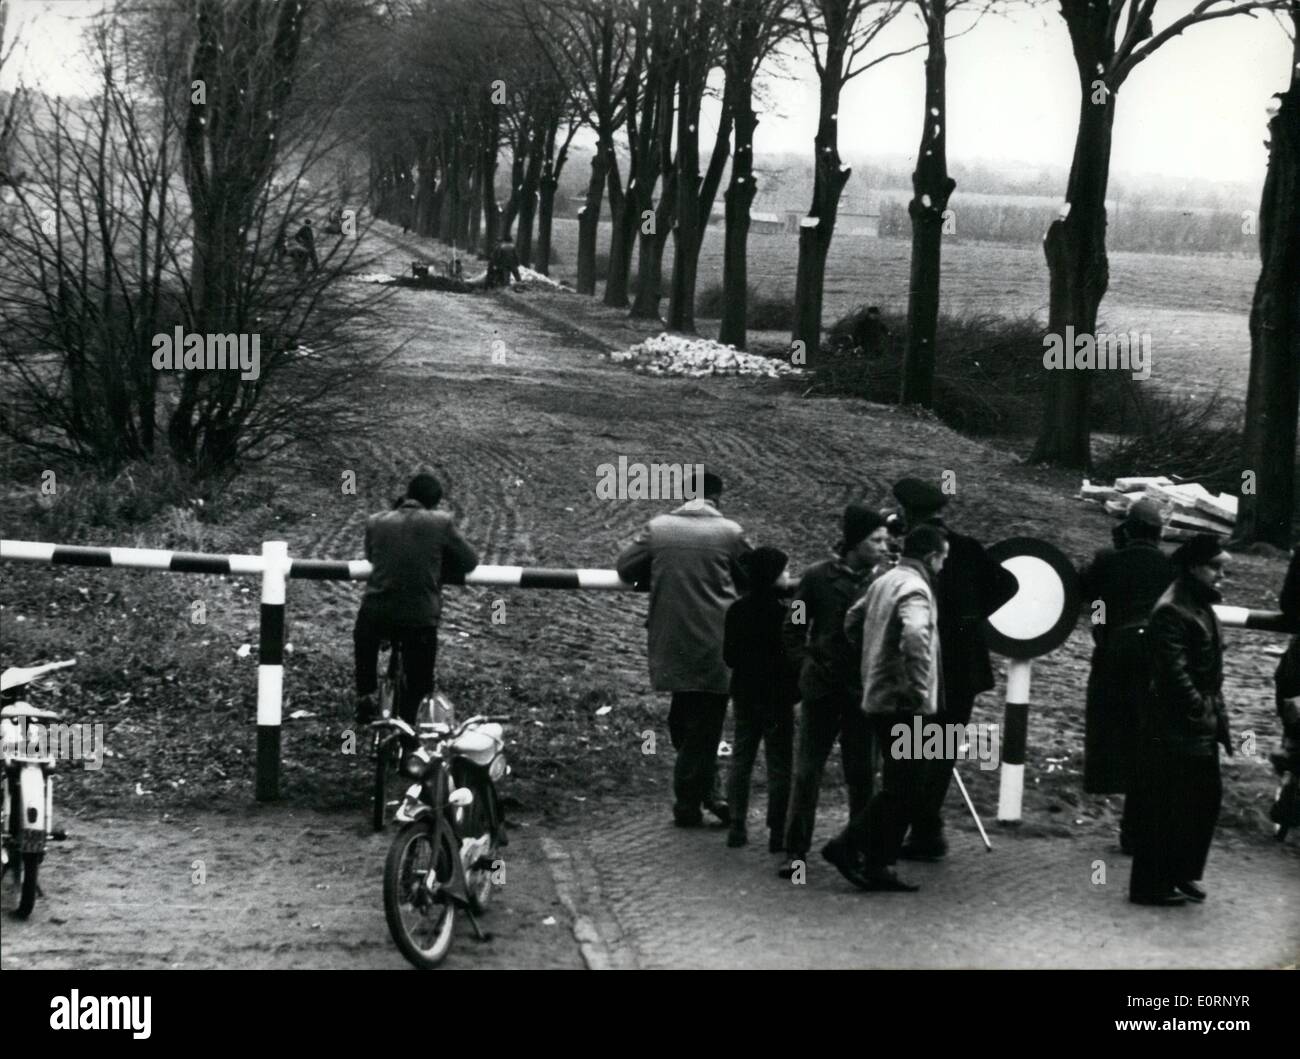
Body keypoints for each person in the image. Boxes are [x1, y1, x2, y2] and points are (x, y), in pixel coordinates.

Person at [616, 470, 751, 827]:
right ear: (717, 498)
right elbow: (751, 576)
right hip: (716, 641)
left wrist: (661, 573)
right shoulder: (730, 533)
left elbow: (625, 566)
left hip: (671, 640)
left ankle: (703, 794)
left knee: (684, 718)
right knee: (705, 724)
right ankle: (694, 800)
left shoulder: (659, 528)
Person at [891, 477, 1017, 860]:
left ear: (910, 514)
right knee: (941, 750)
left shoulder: (912, 553)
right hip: (964, 665)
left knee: (913, 749)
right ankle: (926, 832)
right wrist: (971, 618)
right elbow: (1008, 583)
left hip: (926, 664)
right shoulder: (967, 547)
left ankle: (924, 832)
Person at [829, 525, 949, 892]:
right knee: (906, 786)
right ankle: (847, 846)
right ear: (931, 557)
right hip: (906, 705)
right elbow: (915, 635)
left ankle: (881, 864)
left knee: (902, 783)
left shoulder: (886, 579)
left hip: (879, 698)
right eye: (943, 558)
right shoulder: (915, 588)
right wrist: (914, 686)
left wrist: (870, 661)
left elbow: (852, 618)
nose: (943, 566)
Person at [776, 504, 892, 878]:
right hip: (822, 691)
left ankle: (855, 849)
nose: (883, 546)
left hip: (863, 694)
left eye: (885, 539)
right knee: (807, 773)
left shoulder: (884, 581)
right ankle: (796, 853)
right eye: (875, 540)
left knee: (861, 775)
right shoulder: (815, 577)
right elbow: (794, 623)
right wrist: (804, 665)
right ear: (855, 542)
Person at [1128, 534, 1232, 906]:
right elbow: (1174, 675)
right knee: (1170, 803)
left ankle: (1177, 872)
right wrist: (1200, 712)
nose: (1222, 575)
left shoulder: (1196, 603)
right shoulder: (1174, 610)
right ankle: (1151, 884)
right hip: (1176, 726)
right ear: (1193, 567)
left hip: (1193, 722)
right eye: (1215, 567)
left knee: (1199, 800)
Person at [1078, 497, 1176, 853]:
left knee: (1113, 733)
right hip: (1154, 660)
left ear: (1128, 528)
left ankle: (1125, 821)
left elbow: (1087, 593)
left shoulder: (1108, 560)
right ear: (1158, 532)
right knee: (1147, 741)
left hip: (1113, 656)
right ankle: (1137, 830)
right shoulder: (1169, 566)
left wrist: (1102, 630)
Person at [353, 472, 479, 746]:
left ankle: (365, 693)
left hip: (378, 612)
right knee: (420, 680)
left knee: (364, 636)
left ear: (408, 495)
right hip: (419, 616)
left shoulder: (376, 522)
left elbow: (372, 556)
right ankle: (410, 733)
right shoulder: (441, 522)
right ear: (434, 502)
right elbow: (469, 561)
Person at [722, 546, 800, 850]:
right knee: (780, 764)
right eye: (786, 571)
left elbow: (729, 657)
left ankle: (737, 824)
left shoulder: (737, 610)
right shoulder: (787, 613)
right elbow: (794, 656)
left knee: (741, 759)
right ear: (774, 577)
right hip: (778, 698)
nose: (790, 576)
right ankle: (777, 831)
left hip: (745, 693)